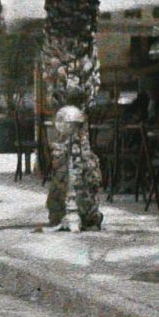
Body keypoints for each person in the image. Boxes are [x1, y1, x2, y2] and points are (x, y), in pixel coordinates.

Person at [46, 87, 104, 230]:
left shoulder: (76, 118)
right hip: (71, 162)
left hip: (80, 163)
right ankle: (68, 215)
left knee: (79, 184)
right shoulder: (70, 118)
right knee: (65, 183)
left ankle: (83, 216)